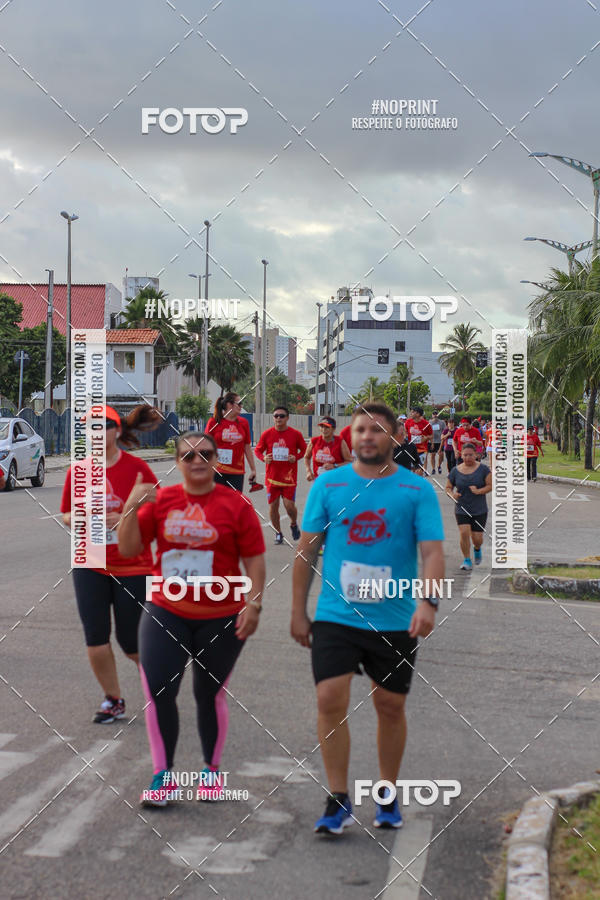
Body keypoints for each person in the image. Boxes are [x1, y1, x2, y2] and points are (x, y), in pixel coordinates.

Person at [292, 402, 445, 834]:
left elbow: (433, 553)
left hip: (394, 619)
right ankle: (337, 798)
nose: (367, 436)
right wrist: (297, 611)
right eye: (360, 429)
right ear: (351, 436)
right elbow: (306, 551)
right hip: (336, 616)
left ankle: (387, 793)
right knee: (329, 700)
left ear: (396, 437)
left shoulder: (416, 490)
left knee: (389, 705)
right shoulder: (329, 484)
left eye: (377, 429)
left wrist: (428, 603)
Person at [118, 431, 266, 806]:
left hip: (221, 615)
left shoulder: (236, 504)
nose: (197, 461)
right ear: (177, 462)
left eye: (205, 454)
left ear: (217, 460)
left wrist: (254, 604)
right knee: (159, 691)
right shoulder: (163, 500)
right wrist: (132, 506)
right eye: (188, 456)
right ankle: (163, 776)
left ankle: (211, 772)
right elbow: (129, 548)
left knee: (208, 694)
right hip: (166, 610)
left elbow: (254, 559)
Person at [60, 404, 161, 723]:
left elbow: (157, 507)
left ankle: (160, 689)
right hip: (89, 563)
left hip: (133, 564)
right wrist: (82, 519)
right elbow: (66, 514)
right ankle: (113, 699)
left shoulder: (138, 469)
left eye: (102, 426)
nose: (96, 433)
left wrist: (127, 517)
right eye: (90, 427)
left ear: (116, 431)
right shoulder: (77, 472)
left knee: (131, 642)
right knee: (96, 637)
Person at [254, 406, 307, 544]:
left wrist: (296, 457)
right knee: (273, 507)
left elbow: (305, 450)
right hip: (272, 478)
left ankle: (293, 523)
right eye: (276, 416)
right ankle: (278, 533)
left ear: (287, 418)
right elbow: (258, 450)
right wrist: (264, 458)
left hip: (289, 478)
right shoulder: (267, 434)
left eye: (282, 416)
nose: (278, 418)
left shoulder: (295, 434)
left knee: (289, 506)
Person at [446, 442, 492, 571]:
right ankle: (466, 559)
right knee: (464, 533)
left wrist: (479, 491)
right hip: (462, 507)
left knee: (477, 538)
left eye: (470, 455)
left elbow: (490, 485)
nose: (467, 458)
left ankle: (477, 549)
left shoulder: (483, 469)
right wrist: (452, 495)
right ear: (461, 455)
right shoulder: (455, 471)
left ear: (476, 455)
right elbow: (448, 487)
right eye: (465, 455)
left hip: (479, 509)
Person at [205, 392, 256, 492]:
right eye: (239, 403)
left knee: (234, 501)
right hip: (216, 471)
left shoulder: (244, 423)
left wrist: (253, 469)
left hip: (236, 472)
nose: (241, 406)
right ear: (229, 405)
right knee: (217, 500)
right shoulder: (214, 422)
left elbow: (247, 447)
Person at [304, 416, 352, 481]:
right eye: (322, 426)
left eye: (327, 427)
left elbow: (349, 462)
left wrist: (334, 466)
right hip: (319, 481)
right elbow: (307, 457)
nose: (324, 429)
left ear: (333, 429)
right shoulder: (314, 441)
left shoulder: (340, 441)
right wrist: (308, 471)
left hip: (336, 481)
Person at [403, 407, 433, 473]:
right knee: (411, 469)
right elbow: (405, 431)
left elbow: (431, 435)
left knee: (419, 470)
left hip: (422, 449)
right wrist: (405, 436)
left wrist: (426, 438)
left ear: (418, 414)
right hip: (411, 449)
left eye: (412, 412)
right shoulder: (408, 422)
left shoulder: (426, 424)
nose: (411, 413)